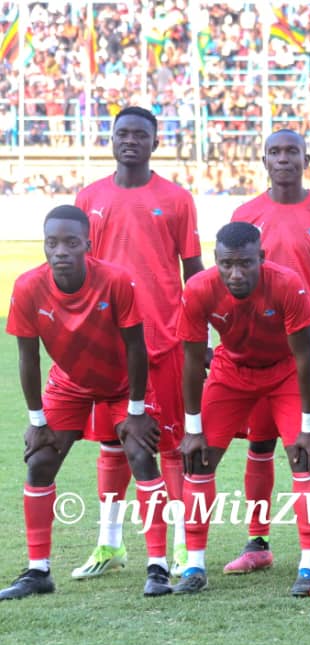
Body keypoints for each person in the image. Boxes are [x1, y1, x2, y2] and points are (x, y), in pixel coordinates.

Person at [2, 205, 171, 600]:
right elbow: (28, 357)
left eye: (71, 242)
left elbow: (136, 348)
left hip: (122, 384)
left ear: (87, 245)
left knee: (141, 455)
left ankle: (158, 567)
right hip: (69, 384)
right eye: (52, 243)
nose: (60, 250)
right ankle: (38, 571)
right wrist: (37, 419)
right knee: (40, 460)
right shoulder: (27, 287)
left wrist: (135, 411)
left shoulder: (115, 280)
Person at [75, 106, 204, 579]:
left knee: (169, 445)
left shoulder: (175, 199)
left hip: (163, 340)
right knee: (111, 443)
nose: (130, 140)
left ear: (155, 142)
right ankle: (109, 544)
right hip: (106, 347)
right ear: (111, 139)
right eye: (122, 133)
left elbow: (195, 273)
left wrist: (199, 337)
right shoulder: (89, 197)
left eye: (140, 135)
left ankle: (173, 543)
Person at [224, 129, 310, 576]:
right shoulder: (246, 215)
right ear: (263, 160)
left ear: (306, 158)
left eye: (291, 151)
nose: (283, 159)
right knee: (258, 443)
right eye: (275, 152)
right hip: (258, 341)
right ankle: (257, 541)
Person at [173, 222, 310, 596]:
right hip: (230, 372)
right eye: (227, 264)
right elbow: (192, 362)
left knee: (303, 458)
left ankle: (308, 564)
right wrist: (192, 429)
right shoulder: (198, 289)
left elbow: (305, 356)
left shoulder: (288, 284)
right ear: (216, 261)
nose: (235, 273)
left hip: (284, 373)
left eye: (244, 263)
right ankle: (194, 564)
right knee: (199, 459)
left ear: (261, 257)